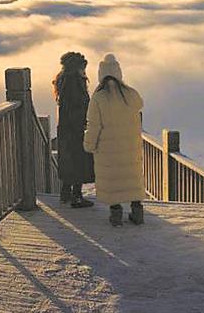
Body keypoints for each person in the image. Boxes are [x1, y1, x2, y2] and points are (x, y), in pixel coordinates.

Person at [83, 53, 146, 226]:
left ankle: (116, 216)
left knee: (113, 182)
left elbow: (93, 125)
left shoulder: (98, 98)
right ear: (119, 73)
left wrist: (89, 144)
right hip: (129, 147)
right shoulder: (131, 94)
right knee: (131, 179)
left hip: (108, 150)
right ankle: (137, 213)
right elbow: (140, 104)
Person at [53, 51, 95, 208]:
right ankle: (77, 197)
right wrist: (84, 123)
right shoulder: (75, 83)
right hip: (76, 129)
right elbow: (78, 107)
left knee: (69, 161)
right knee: (79, 161)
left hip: (65, 129)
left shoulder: (63, 80)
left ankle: (65, 194)